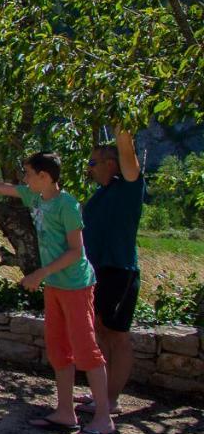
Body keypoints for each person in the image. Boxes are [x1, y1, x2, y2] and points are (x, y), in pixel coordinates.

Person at [0, 151, 118, 434]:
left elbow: (76, 251)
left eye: (27, 173)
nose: (23, 178)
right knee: (58, 348)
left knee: (86, 349)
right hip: (55, 286)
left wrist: (40, 273)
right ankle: (66, 412)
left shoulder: (68, 205)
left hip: (76, 286)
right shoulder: (35, 197)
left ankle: (104, 419)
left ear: (44, 176)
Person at [79, 129, 144, 416]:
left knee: (117, 335)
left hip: (119, 270)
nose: (89, 169)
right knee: (101, 330)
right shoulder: (102, 192)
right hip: (99, 270)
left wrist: (122, 128)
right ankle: (101, 394)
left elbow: (128, 155)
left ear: (111, 163)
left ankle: (112, 399)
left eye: (93, 163)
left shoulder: (129, 186)